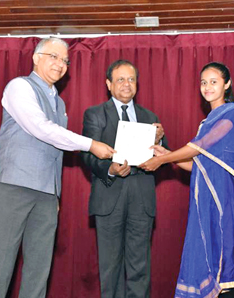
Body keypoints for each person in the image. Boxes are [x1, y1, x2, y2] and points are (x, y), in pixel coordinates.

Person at [0, 37, 115, 298]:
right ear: (35, 57)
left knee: (39, 267)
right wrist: (91, 144)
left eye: (65, 60)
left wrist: (54, 194)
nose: (60, 64)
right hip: (13, 186)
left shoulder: (59, 103)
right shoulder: (19, 86)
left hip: (45, 193)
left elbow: (55, 151)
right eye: (53, 56)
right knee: (2, 262)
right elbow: (41, 129)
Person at [139, 62, 234, 297]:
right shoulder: (207, 122)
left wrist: (164, 159)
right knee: (211, 258)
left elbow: (200, 147)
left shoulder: (232, 114)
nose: (207, 87)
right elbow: (198, 165)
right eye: (203, 82)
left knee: (229, 261)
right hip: (209, 206)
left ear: (227, 84)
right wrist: (167, 156)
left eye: (213, 81)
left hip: (228, 206)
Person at [80, 60, 167, 298]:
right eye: (120, 79)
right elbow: (86, 155)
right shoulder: (95, 114)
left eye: (131, 79)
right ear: (109, 84)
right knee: (110, 267)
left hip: (142, 198)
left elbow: (164, 157)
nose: (126, 84)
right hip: (109, 197)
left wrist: (158, 141)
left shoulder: (150, 117)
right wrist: (110, 169)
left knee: (140, 266)